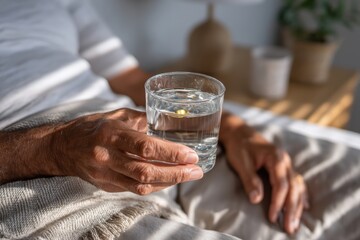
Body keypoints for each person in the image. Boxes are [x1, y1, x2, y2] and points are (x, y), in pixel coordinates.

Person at [0, 0, 307, 238]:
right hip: (40, 155)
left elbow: (134, 80)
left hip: (153, 136)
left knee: (313, 198)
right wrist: (55, 149)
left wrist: (237, 129)